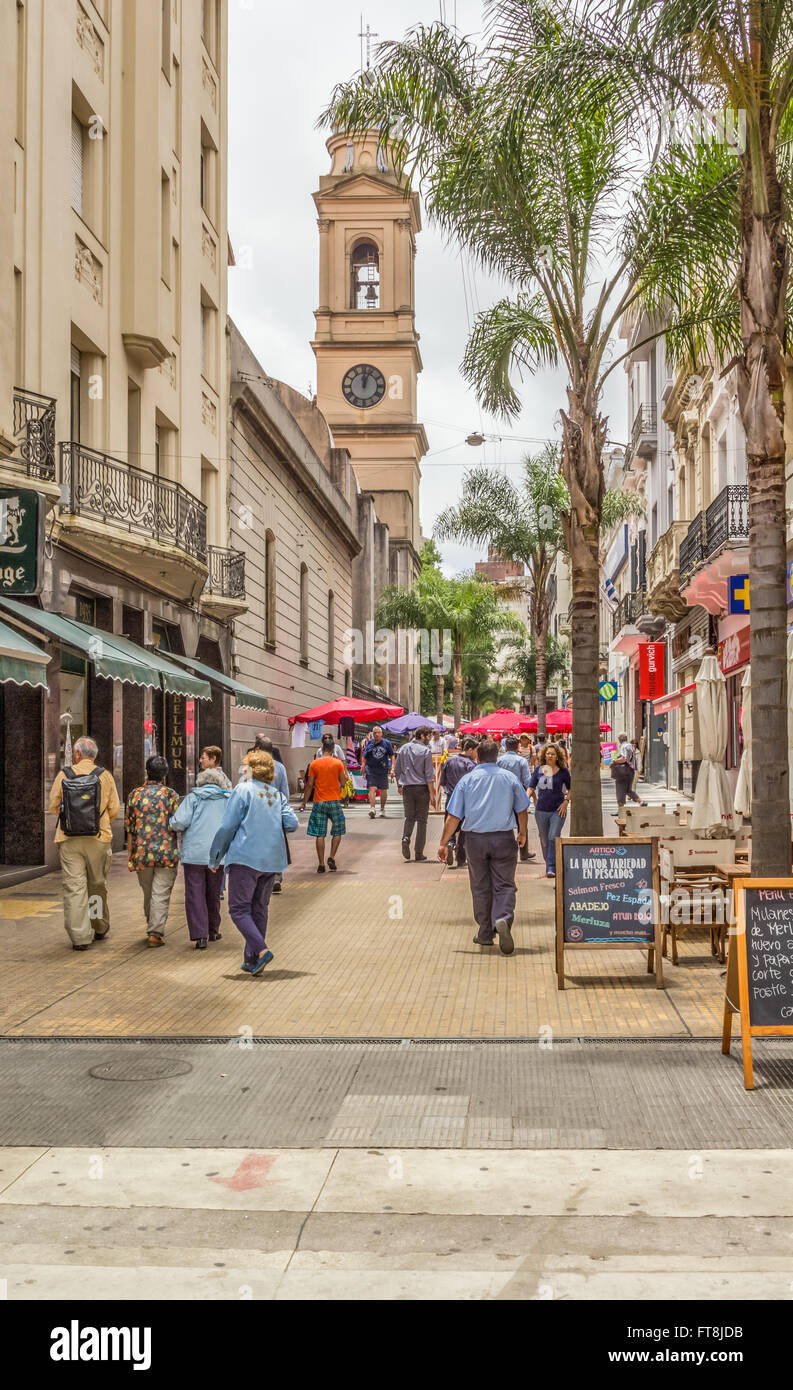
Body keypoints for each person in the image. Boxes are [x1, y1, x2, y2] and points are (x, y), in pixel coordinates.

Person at [209, 749, 298, 974]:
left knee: (238, 909)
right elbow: (292, 823)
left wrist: (216, 856)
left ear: (250, 769)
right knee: (259, 907)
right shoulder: (275, 795)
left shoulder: (243, 790)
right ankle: (251, 959)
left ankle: (261, 950)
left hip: (245, 858)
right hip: (271, 860)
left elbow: (228, 826)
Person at [437, 738, 529, 954]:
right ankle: (503, 918)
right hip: (504, 838)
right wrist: (522, 832)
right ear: (497, 756)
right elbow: (522, 809)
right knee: (505, 884)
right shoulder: (510, 778)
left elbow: (453, 817)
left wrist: (443, 844)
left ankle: (485, 932)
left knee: (480, 886)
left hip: (475, 840)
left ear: (477, 756)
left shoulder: (468, 780)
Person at [48, 735, 120, 951]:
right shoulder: (104, 776)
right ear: (94, 756)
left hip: (69, 838)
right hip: (98, 838)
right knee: (96, 884)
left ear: (77, 754)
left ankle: (79, 937)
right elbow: (115, 809)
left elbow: (53, 807)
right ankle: (98, 926)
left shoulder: (64, 774)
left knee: (74, 887)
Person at [169, 767, 231, 949]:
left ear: (200, 783)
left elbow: (179, 822)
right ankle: (213, 930)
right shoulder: (227, 800)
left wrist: (172, 822)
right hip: (218, 855)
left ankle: (200, 935)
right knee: (213, 892)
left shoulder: (193, 798)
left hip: (194, 855)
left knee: (195, 893)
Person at [125, 755, 181, 947]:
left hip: (142, 853)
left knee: (149, 892)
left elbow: (130, 828)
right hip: (166, 853)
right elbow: (178, 824)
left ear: (147, 772)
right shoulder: (171, 795)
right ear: (164, 775)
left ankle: (153, 926)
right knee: (160, 893)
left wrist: (129, 856)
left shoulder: (135, 794)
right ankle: (155, 932)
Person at [300, 733, 348, 872]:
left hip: (319, 802)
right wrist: (343, 774)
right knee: (338, 830)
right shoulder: (337, 763)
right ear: (333, 749)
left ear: (322, 748)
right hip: (334, 801)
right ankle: (331, 856)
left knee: (320, 834)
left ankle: (321, 864)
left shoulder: (314, 763)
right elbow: (344, 783)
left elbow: (309, 785)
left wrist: (304, 802)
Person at [251, 736, 291, 891]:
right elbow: (285, 793)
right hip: (275, 813)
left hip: (256, 814)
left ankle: (258, 873)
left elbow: (244, 788)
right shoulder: (280, 767)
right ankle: (276, 875)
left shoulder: (251, 767)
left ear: (258, 749)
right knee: (277, 843)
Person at [528, 743, 571, 879]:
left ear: (557, 756)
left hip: (557, 810)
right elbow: (531, 787)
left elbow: (571, 789)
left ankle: (552, 866)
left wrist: (566, 802)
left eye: (553, 754)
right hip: (541, 810)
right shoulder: (540, 770)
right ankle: (550, 865)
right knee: (544, 840)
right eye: (548, 754)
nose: (550, 756)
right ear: (544, 756)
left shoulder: (563, 771)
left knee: (553, 837)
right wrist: (526, 798)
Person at [394, 727, 435, 862]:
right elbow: (429, 775)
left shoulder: (403, 749)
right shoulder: (425, 751)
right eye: (428, 736)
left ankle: (406, 838)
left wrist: (399, 785)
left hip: (408, 788)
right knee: (422, 821)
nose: (430, 739)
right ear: (422, 736)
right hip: (422, 788)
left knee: (409, 817)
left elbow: (397, 770)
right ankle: (419, 853)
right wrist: (432, 794)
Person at [498, 735, 537, 862]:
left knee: (503, 824)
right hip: (518, 795)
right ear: (518, 747)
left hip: (502, 795)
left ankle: (503, 852)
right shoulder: (521, 761)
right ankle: (523, 852)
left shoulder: (499, 760)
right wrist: (532, 795)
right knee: (522, 824)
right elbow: (527, 780)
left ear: (506, 747)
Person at [439, 736, 477, 867]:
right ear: (470, 750)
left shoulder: (450, 761)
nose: (477, 754)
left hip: (450, 797)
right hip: (466, 799)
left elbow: (442, 781)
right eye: (476, 751)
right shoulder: (472, 765)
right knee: (464, 829)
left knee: (450, 824)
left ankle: (450, 843)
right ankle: (461, 858)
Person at [361, 726, 395, 819]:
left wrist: (392, 768)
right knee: (372, 788)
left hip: (382, 770)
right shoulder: (370, 743)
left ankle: (382, 808)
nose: (376, 734)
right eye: (374, 732)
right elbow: (364, 756)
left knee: (383, 790)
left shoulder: (386, 743)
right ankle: (372, 808)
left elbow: (392, 756)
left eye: (378, 732)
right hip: (371, 769)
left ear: (381, 734)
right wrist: (363, 766)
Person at [612, 732, 645, 808]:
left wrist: (614, 761)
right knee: (628, 790)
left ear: (620, 739)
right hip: (631, 771)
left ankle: (621, 811)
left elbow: (624, 759)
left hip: (623, 771)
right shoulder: (630, 746)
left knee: (620, 789)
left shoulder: (624, 746)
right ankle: (641, 802)